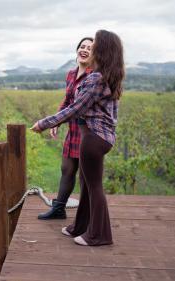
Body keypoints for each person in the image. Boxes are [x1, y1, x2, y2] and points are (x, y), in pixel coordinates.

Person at [31, 30, 124, 246]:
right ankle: (81, 227)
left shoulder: (95, 78)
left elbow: (75, 108)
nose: (88, 48)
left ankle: (99, 235)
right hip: (95, 136)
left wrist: (45, 123)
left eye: (94, 45)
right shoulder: (106, 76)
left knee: (94, 187)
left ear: (102, 50)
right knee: (86, 182)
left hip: (93, 137)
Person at [38, 37, 94, 220]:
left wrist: (50, 122)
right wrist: (57, 121)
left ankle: (88, 215)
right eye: (82, 46)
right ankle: (59, 209)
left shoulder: (94, 76)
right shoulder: (71, 74)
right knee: (67, 168)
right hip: (73, 128)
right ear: (77, 50)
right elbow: (68, 101)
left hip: (88, 130)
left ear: (95, 55)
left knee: (86, 176)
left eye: (90, 48)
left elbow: (78, 107)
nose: (84, 50)